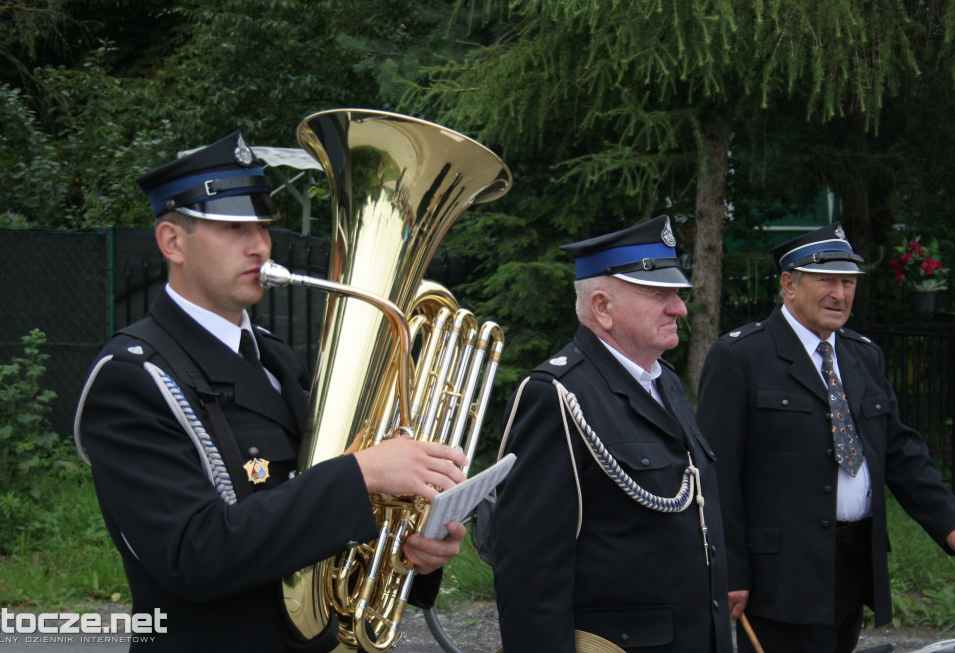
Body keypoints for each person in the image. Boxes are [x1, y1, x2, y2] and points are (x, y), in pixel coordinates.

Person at [73, 131, 468, 652]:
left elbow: (311, 519)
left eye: (261, 226)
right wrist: (361, 473)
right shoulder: (132, 378)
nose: (259, 245)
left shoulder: (274, 357)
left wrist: (406, 550)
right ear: (172, 243)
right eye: (233, 228)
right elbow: (194, 555)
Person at [696, 222, 955, 653]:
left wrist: (949, 525)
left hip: (852, 565)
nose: (840, 293)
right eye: (826, 280)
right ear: (788, 285)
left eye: (849, 282)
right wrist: (729, 572)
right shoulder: (741, 357)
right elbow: (715, 474)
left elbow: (902, 454)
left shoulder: (862, 355)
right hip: (778, 576)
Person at [491, 216, 732, 652]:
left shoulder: (664, 381)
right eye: (660, 295)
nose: (678, 307)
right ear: (602, 307)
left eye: (676, 294)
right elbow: (530, 575)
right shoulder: (557, 396)